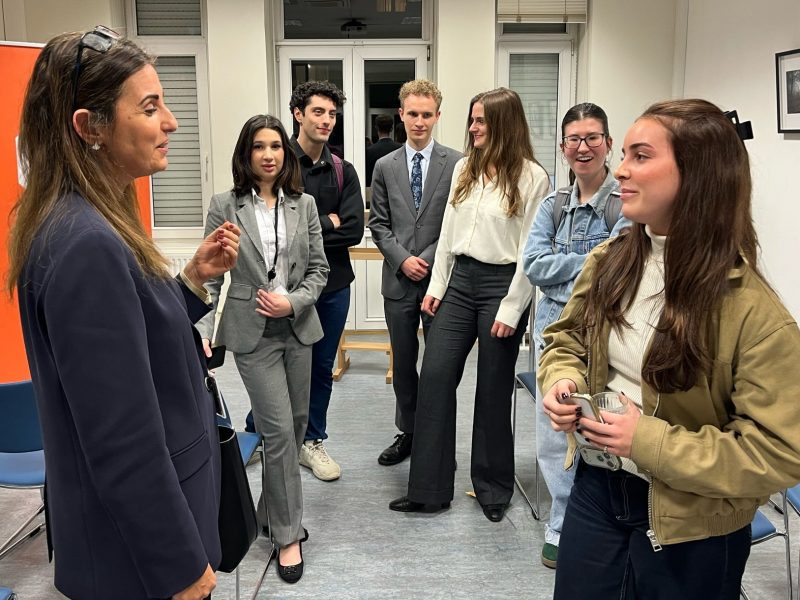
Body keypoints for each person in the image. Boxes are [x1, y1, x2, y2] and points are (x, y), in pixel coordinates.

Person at [6, 27, 241, 600]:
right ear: (90, 128)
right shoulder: (86, 243)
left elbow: (134, 346)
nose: (171, 123)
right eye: (150, 107)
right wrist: (181, 570)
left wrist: (189, 283)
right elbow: (122, 441)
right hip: (140, 563)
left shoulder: (88, 221)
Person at [539, 99, 800, 599]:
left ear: (697, 173)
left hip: (693, 519)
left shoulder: (754, 313)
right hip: (597, 489)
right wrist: (562, 380)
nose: (620, 168)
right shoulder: (611, 261)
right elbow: (566, 338)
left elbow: (778, 452)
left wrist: (648, 441)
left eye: (641, 156)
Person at [389, 87, 550, 522]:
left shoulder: (532, 178)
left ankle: (494, 488)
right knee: (436, 379)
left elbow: (530, 254)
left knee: (494, 389)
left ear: (504, 124)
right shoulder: (464, 168)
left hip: (502, 284)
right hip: (458, 281)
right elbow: (447, 235)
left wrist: (512, 308)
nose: (473, 128)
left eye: (481, 121)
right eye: (473, 120)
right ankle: (428, 489)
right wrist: (436, 287)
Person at [197, 115, 328, 583]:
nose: (269, 154)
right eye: (259, 146)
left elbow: (319, 270)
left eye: (275, 146)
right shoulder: (224, 205)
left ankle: (268, 518)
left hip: (296, 328)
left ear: (285, 154)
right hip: (251, 332)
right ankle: (288, 536)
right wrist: (205, 325)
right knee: (277, 433)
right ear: (246, 153)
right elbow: (210, 272)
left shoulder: (304, 205)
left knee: (293, 429)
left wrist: (290, 301)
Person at [521, 102, 630, 569]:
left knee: (604, 432)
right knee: (554, 435)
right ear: (563, 148)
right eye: (573, 140)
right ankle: (561, 524)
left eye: (592, 138)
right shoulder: (554, 205)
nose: (582, 147)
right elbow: (534, 265)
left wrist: (572, 272)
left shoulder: (625, 203)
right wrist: (592, 264)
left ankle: (601, 521)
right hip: (554, 339)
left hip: (606, 339)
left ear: (607, 142)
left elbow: (620, 268)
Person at [368, 79, 462, 467]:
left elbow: (457, 223)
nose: (419, 121)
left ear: (437, 116)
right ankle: (408, 431)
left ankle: (437, 439)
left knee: (441, 367)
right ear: (401, 115)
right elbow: (378, 223)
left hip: (441, 282)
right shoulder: (384, 166)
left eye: (427, 114)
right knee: (404, 365)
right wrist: (403, 259)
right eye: (412, 114)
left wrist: (424, 255)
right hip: (399, 281)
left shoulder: (458, 163)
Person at [288, 80, 365, 481]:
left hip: (333, 285)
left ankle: (311, 440)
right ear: (298, 114)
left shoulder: (342, 170)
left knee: (320, 366)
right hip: (285, 287)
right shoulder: (276, 163)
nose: (326, 120)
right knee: (280, 361)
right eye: (318, 112)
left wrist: (307, 226)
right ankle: (267, 432)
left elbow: (353, 229)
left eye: (332, 114)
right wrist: (324, 222)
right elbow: (274, 226)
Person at [365, 113, 400, 186]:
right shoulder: (400, 149)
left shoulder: (369, 151)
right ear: (391, 128)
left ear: (376, 128)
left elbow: (368, 178)